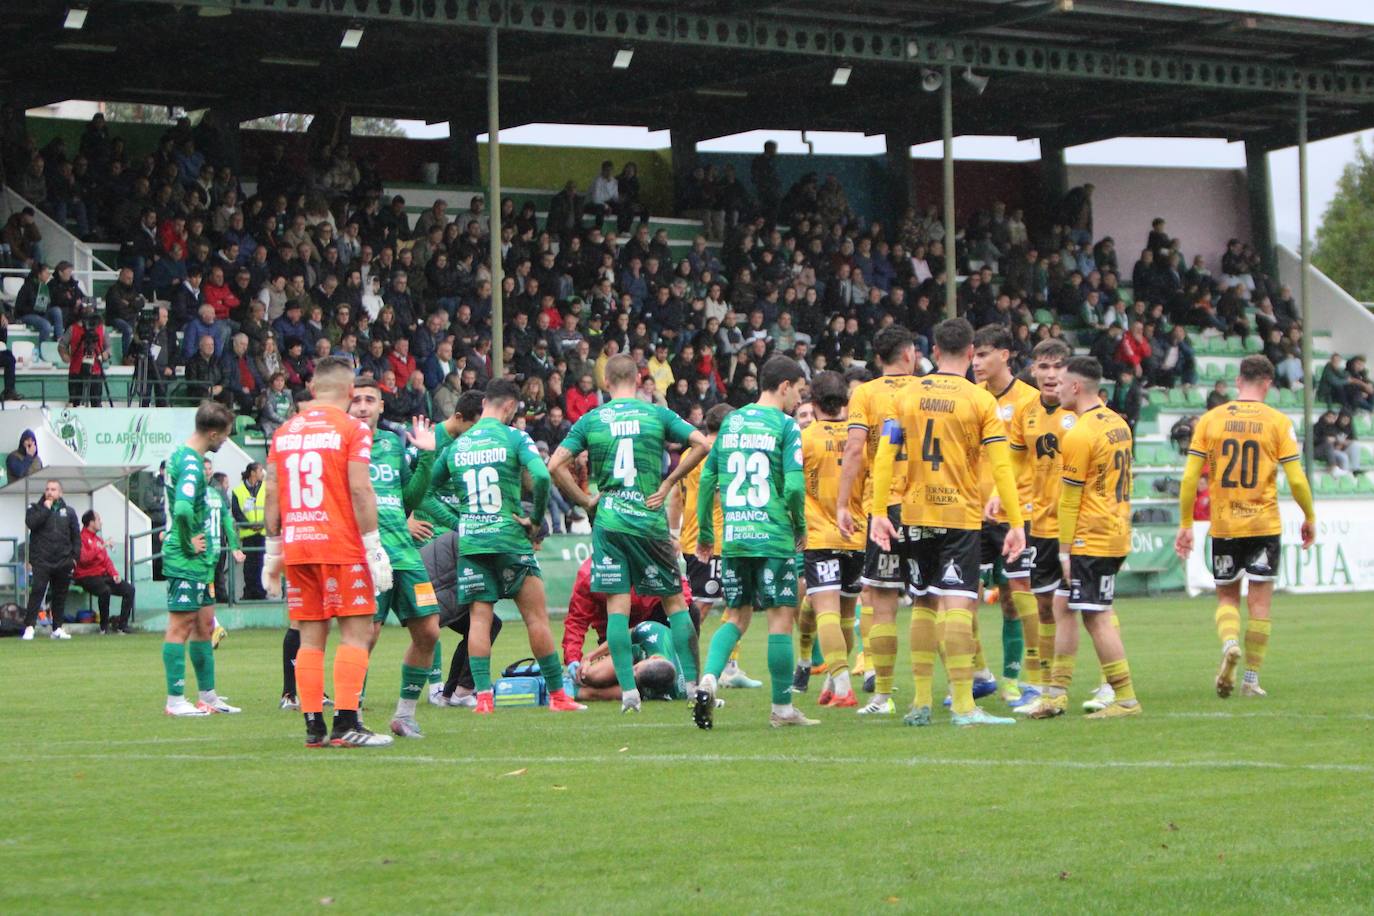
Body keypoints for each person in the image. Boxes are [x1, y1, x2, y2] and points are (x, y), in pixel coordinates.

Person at [869, 318, 1026, 727]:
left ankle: (920, 702)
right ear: (971, 352)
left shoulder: (905, 395)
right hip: (959, 513)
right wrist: (1015, 522)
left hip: (915, 512)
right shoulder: (980, 401)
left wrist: (880, 511)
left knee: (922, 601)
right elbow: (1002, 467)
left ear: (934, 352)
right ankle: (962, 704)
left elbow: (885, 455)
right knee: (958, 602)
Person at [547, 353, 711, 712]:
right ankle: (694, 686)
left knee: (617, 608)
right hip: (649, 520)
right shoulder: (656, 414)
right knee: (675, 602)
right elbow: (702, 443)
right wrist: (668, 483)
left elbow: (554, 465)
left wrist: (586, 501)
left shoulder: (592, 420)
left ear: (606, 382)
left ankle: (629, 693)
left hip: (611, 523)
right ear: (639, 381)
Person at [427, 379, 583, 715]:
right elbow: (541, 477)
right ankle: (558, 697)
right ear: (510, 406)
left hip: (472, 543)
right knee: (536, 619)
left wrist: (459, 518)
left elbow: (429, 488)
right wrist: (537, 520)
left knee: (480, 621)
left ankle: (482, 699)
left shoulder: (459, 445)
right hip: (510, 538)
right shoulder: (514, 437)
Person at [262, 357, 396, 747]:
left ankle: (313, 726)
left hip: (298, 546)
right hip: (341, 543)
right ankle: (347, 724)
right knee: (355, 634)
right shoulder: (352, 428)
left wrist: (272, 552)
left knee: (310, 639)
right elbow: (359, 489)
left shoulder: (284, 432)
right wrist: (373, 548)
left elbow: (272, 491)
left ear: (312, 388)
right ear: (350, 391)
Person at [1176, 355, 1316, 699]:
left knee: (1226, 596)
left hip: (1224, 524)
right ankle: (1251, 679)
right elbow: (1296, 479)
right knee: (1260, 604)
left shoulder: (1211, 420)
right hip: (1263, 523)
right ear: (1267, 383)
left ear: (1239, 381)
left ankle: (1229, 643)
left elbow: (1191, 477)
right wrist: (1309, 516)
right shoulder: (1278, 422)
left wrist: (1185, 524)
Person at [692, 355, 815, 729]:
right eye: (798, 391)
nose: (798, 399)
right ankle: (782, 710)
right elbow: (794, 485)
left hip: (736, 538)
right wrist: (798, 524)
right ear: (784, 387)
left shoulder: (729, 423)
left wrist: (706, 533)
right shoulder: (786, 426)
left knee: (736, 617)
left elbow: (707, 480)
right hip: (774, 536)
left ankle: (710, 678)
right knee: (780, 619)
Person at [1026, 356, 1141, 720]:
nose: (1054, 388)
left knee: (1096, 616)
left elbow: (1070, 497)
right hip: (1114, 527)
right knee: (1063, 607)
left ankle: (1125, 699)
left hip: (1091, 536)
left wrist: (1063, 551)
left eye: (1061, 384)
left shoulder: (1079, 433)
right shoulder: (1117, 423)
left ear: (1075, 387)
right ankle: (1056, 694)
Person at [834, 327, 922, 714]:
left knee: (882, 599)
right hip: (926, 505)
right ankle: (939, 692)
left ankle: (883, 695)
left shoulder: (865, 394)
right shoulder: (926, 391)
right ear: (909, 355)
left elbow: (854, 449)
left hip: (883, 507)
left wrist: (842, 504)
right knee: (935, 598)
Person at [349, 381, 444, 738]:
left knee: (429, 631)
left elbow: (410, 498)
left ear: (381, 407)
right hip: (365, 554)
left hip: (403, 553)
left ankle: (404, 714)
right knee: (366, 635)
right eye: (355, 400)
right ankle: (351, 710)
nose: (361, 406)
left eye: (369, 400)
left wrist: (426, 456)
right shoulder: (342, 445)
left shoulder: (391, 444)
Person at [667, 403, 764, 689]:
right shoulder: (719, 453)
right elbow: (719, 496)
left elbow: (676, 495)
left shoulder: (689, 452)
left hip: (692, 538)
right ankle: (683, 668)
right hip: (714, 540)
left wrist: (674, 533)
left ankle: (727, 665)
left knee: (731, 601)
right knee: (704, 604)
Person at [973, 324, 1042, 706]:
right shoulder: (971, 398)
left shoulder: (1030, 401)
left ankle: (1021, 679)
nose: (977, 362)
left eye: (983, 354)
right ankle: (979, 674)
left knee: (1016, 597)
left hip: (1016, 513)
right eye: (974, 355)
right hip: (970, 512)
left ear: (1005, 354)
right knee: (964, 596)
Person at [158, 402, 240, 716]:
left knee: (205, 624)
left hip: (200, 561)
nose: (225, 442)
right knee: (181, 625)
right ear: (213, 433)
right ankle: (175, 700)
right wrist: (188, 540)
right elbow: (180, 509)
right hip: (185, 558)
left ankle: (208, 696)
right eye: (225, 436)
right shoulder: (191, 463)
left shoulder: (187, 456)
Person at [1006, 338, 1074, 715]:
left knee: (1092, 606)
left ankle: (1109, 684)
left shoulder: (1082, 410)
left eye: (1058, 367)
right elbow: (1016, 462)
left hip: (1079, 524)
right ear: (1033, 370)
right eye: (1043, 367)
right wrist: (1004, 495)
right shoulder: (1025, 412)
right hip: (1042, 525)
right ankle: (1048, 687)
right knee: (1045, 604)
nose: (1050, 375)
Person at [799, 371, 865, 708]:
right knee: (846, 615)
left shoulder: (804, 438)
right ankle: (832, 681)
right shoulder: (861, 438)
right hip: (857, 535)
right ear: (845, 401)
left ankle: (842, 687)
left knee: (825, 611)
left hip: (820, 534)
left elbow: (795, 488)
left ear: (813, 403)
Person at [20, 479, 81, 641]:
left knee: (60, 595)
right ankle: (30, 627)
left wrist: (74, 558)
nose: (49, 492)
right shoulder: (35, 509)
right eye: (47, 489)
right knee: (38, 592)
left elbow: (76, 536)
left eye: (53, 489)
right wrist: (46, 509)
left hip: (63, 561)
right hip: (42, 560)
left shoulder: (69, 512)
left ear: (60, 493)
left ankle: (57, 628)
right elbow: (31, 523)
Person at [572, 621, 688, 703]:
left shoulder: (676, 692)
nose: (631, 673)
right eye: (636, 668)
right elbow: (624, 636)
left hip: (646, 686)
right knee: (591, 675)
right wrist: (592, 656)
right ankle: (570, 679)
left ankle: (570, 691)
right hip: (632, 654)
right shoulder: (654, 633)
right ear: (653, 658)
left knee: (593, 694)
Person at [75, 510, 136, 634]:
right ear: (91, 522)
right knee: (105, 591)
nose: (101, 522)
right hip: (87, 576)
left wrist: (114, 574)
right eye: (98, 520)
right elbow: (84, 559)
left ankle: (122, 626)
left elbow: (106, 561)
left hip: (103, 576)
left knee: (129, 589)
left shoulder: (98, 540)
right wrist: (101, 546)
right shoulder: (81, 538)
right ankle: (104, 627)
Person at [231, 463, 267, 600]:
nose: (262, 473)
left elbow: (270, 506)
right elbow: (237, 512)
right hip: (248, 533)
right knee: (249, 565)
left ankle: (261, 592)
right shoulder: (238, 490)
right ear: (252, 473)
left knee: (262, 564)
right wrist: (249, 525)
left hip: (262, 532)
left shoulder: (266, 488)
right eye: (260, 470)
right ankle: (250, 592)